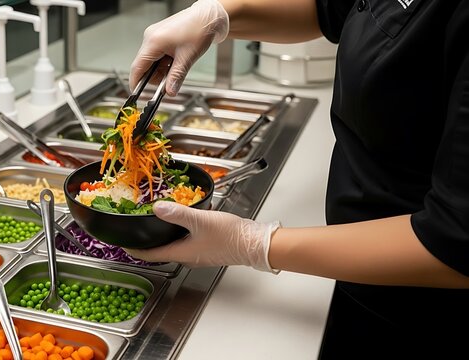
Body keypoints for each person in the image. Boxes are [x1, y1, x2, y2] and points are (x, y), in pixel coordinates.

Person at [124, 0, 469, 358]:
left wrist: (253, 244)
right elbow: (327, 9)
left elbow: (454, 243)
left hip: (423, 317)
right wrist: (220, 15)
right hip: (351, 270)